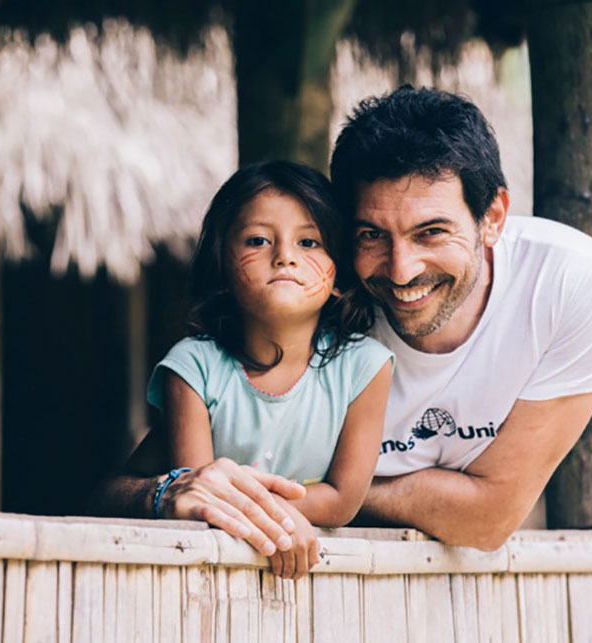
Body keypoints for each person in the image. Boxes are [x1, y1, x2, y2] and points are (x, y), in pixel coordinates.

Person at [93, 86, 592, 554]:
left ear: (493, 218)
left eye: (431, 233)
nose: (401, 270)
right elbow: (129, 487)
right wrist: (169, 491)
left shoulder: (569, 285)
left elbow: (488, 518)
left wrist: (290, 490)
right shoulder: (316, 304)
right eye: (372, 235)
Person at [97, 161, 392, 579]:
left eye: (309, 242)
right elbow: (202, 499)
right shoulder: (192, 367)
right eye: (258, 240)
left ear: (339, 276)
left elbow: (342, 499)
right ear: (221, 272)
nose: (285, 256)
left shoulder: (365, 367)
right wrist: (278, 519)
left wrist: (260, 513)